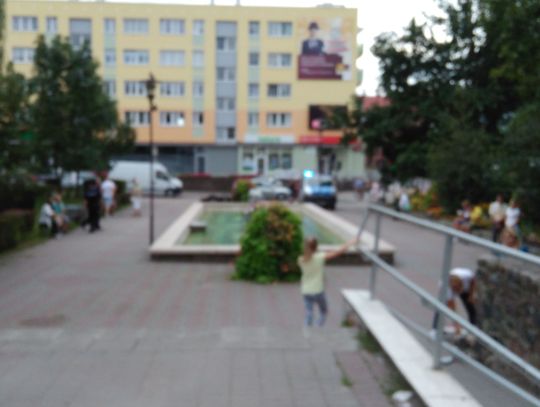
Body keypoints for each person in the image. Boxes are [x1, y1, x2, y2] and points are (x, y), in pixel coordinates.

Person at [298, 237, 356, 328]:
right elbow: (338, 252)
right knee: (323, 312)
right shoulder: (320, 257)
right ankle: (318, 328)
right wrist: (350, 243)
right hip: (318, 290)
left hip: (306, 291)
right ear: (316, 247)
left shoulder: (301, 259)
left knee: (309, 312)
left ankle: (306, 329)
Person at [433, 267, 477, 336]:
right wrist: (457, 325)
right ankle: (436, 328)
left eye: (458, 289)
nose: (457, 293)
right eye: (455, 290)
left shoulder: (466, 275)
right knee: (441, 306)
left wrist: (471, 295)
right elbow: (452, 308)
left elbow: (473, 281)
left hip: (466, 286)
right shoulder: (446, 288)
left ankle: (473, 326)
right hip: (445, 290)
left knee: (470, 306)